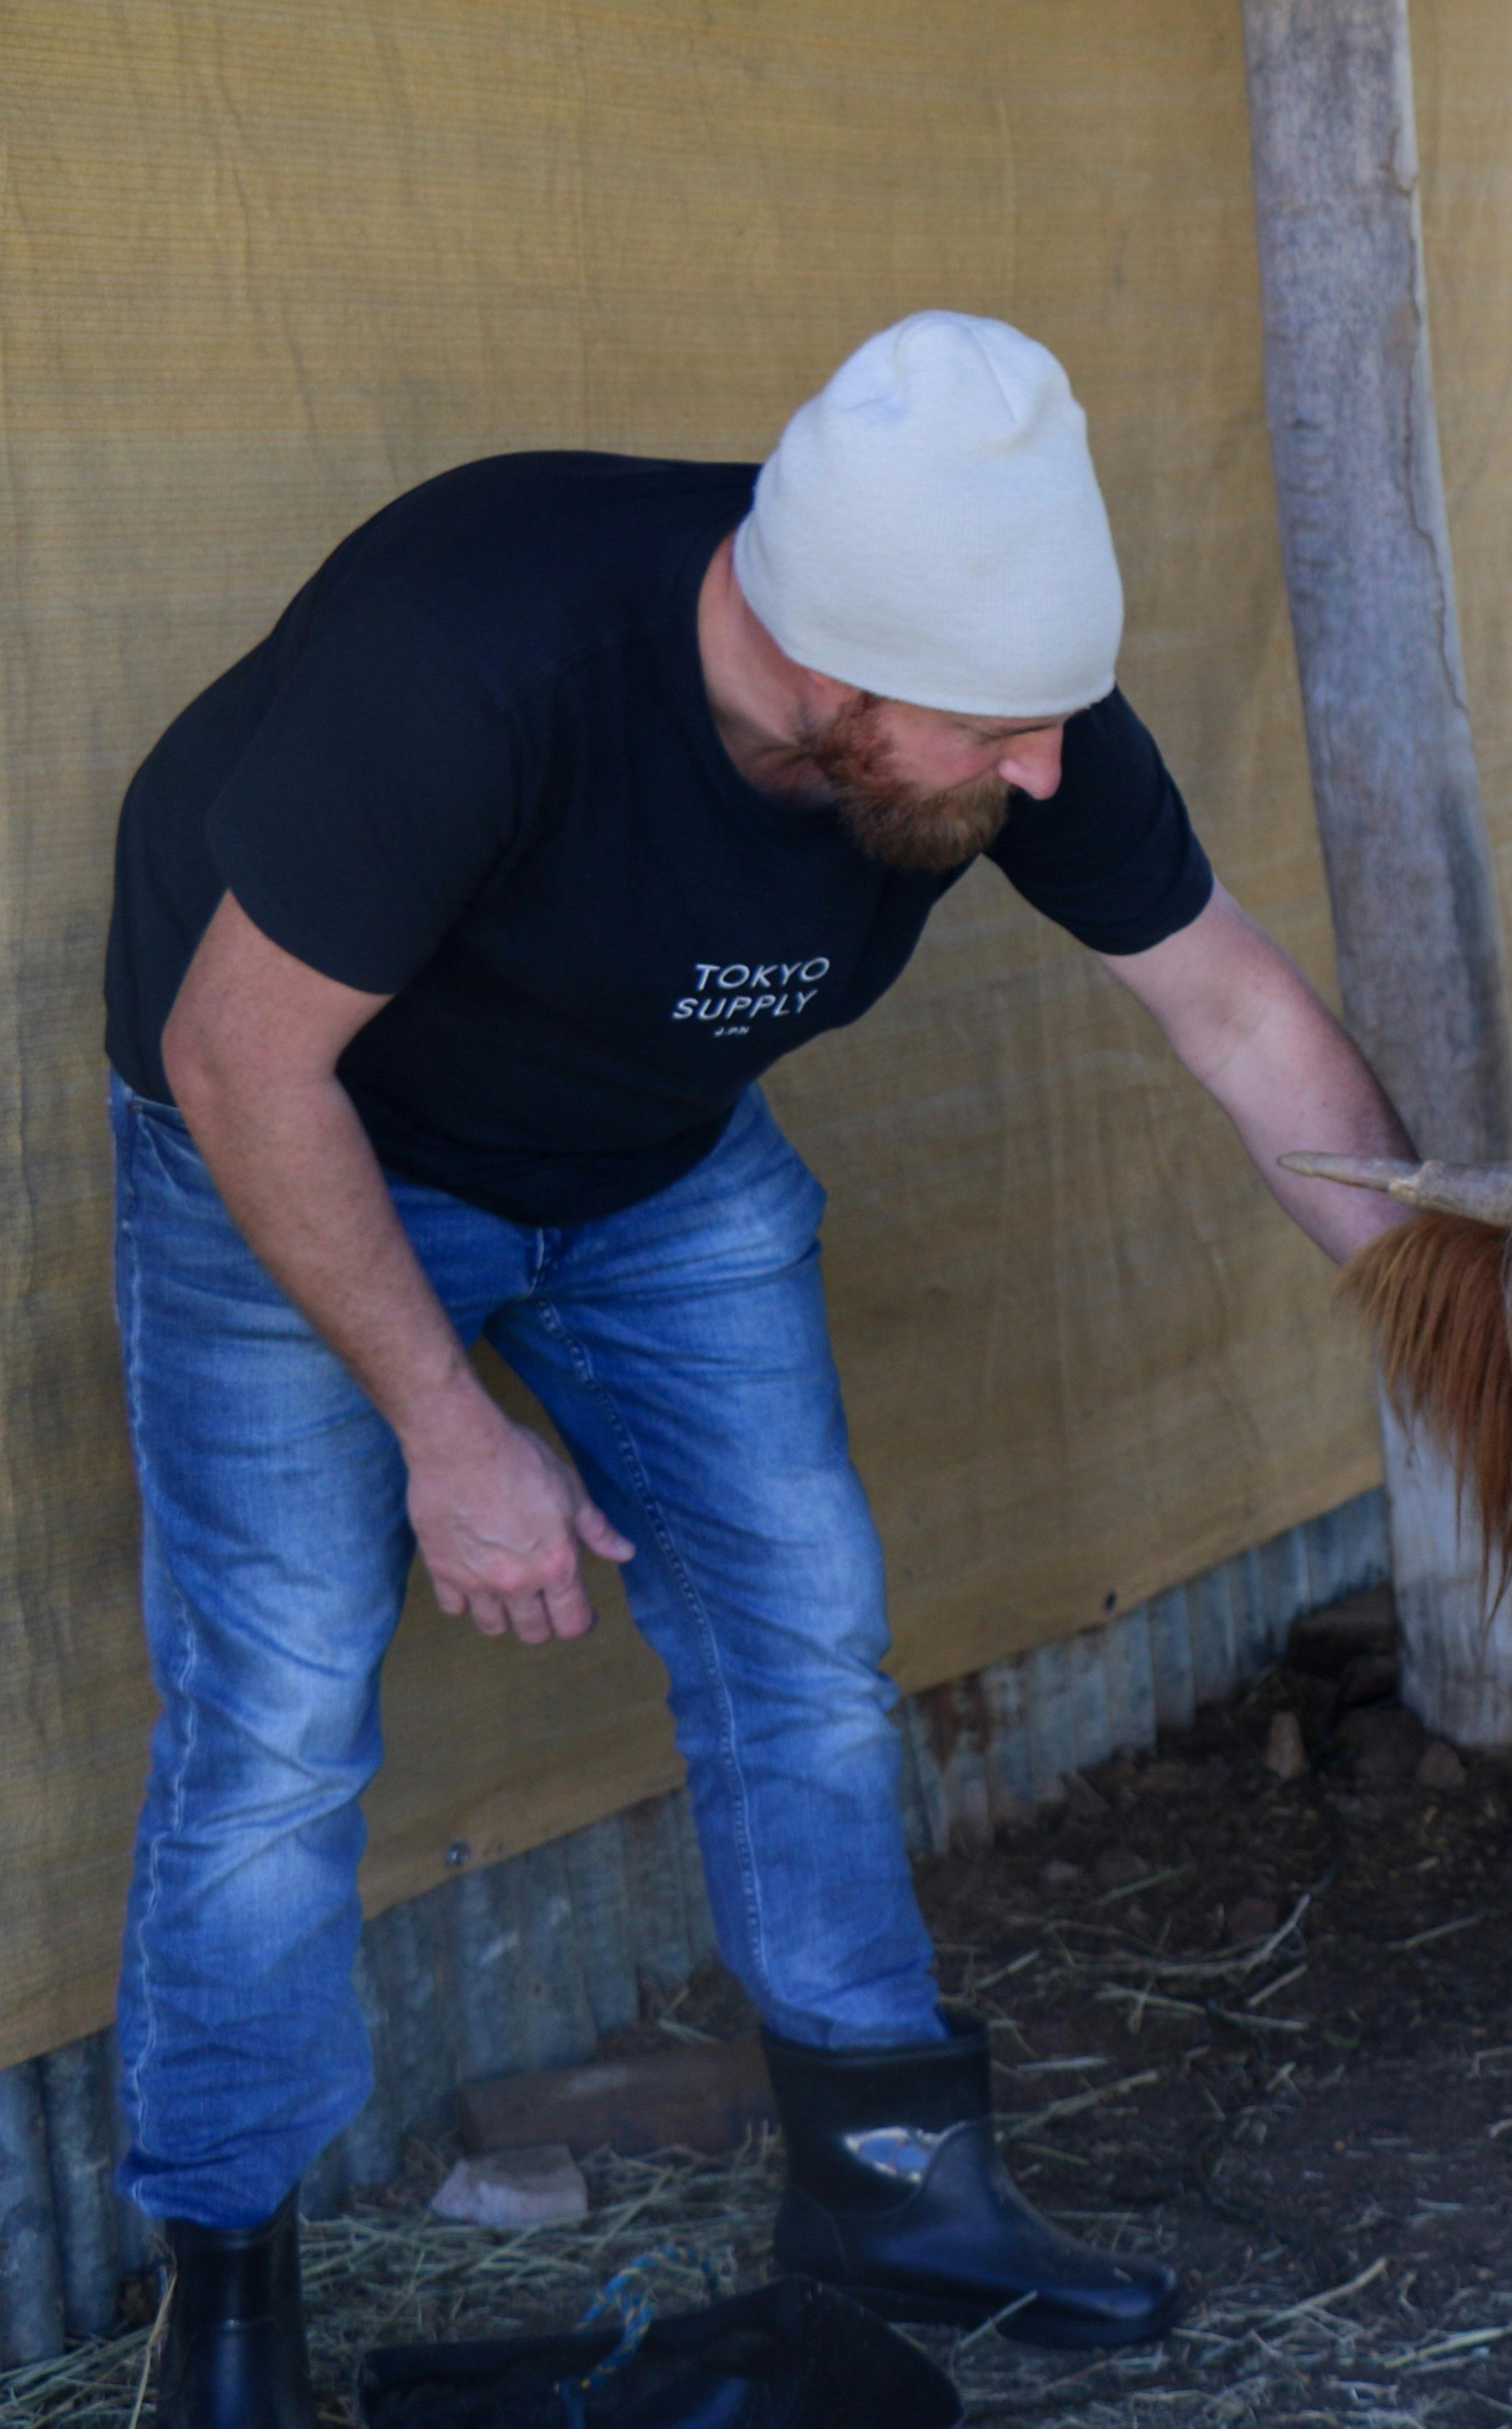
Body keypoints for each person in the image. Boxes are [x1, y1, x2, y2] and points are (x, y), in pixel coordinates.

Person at [101, 310, 1414, 2425]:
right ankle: (225, 2310)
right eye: (1000, 740)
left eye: (1055, 724)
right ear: (824, 682)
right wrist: (452, 1428)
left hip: (656, 1161)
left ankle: (894, 2186)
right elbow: (241, 1059)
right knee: (274, 1723)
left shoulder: (991, 679)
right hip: (304, 1139)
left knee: (801, 1629)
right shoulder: (480, 652)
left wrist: (1453, 1315)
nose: (1052, 775)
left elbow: (1239, 1016)